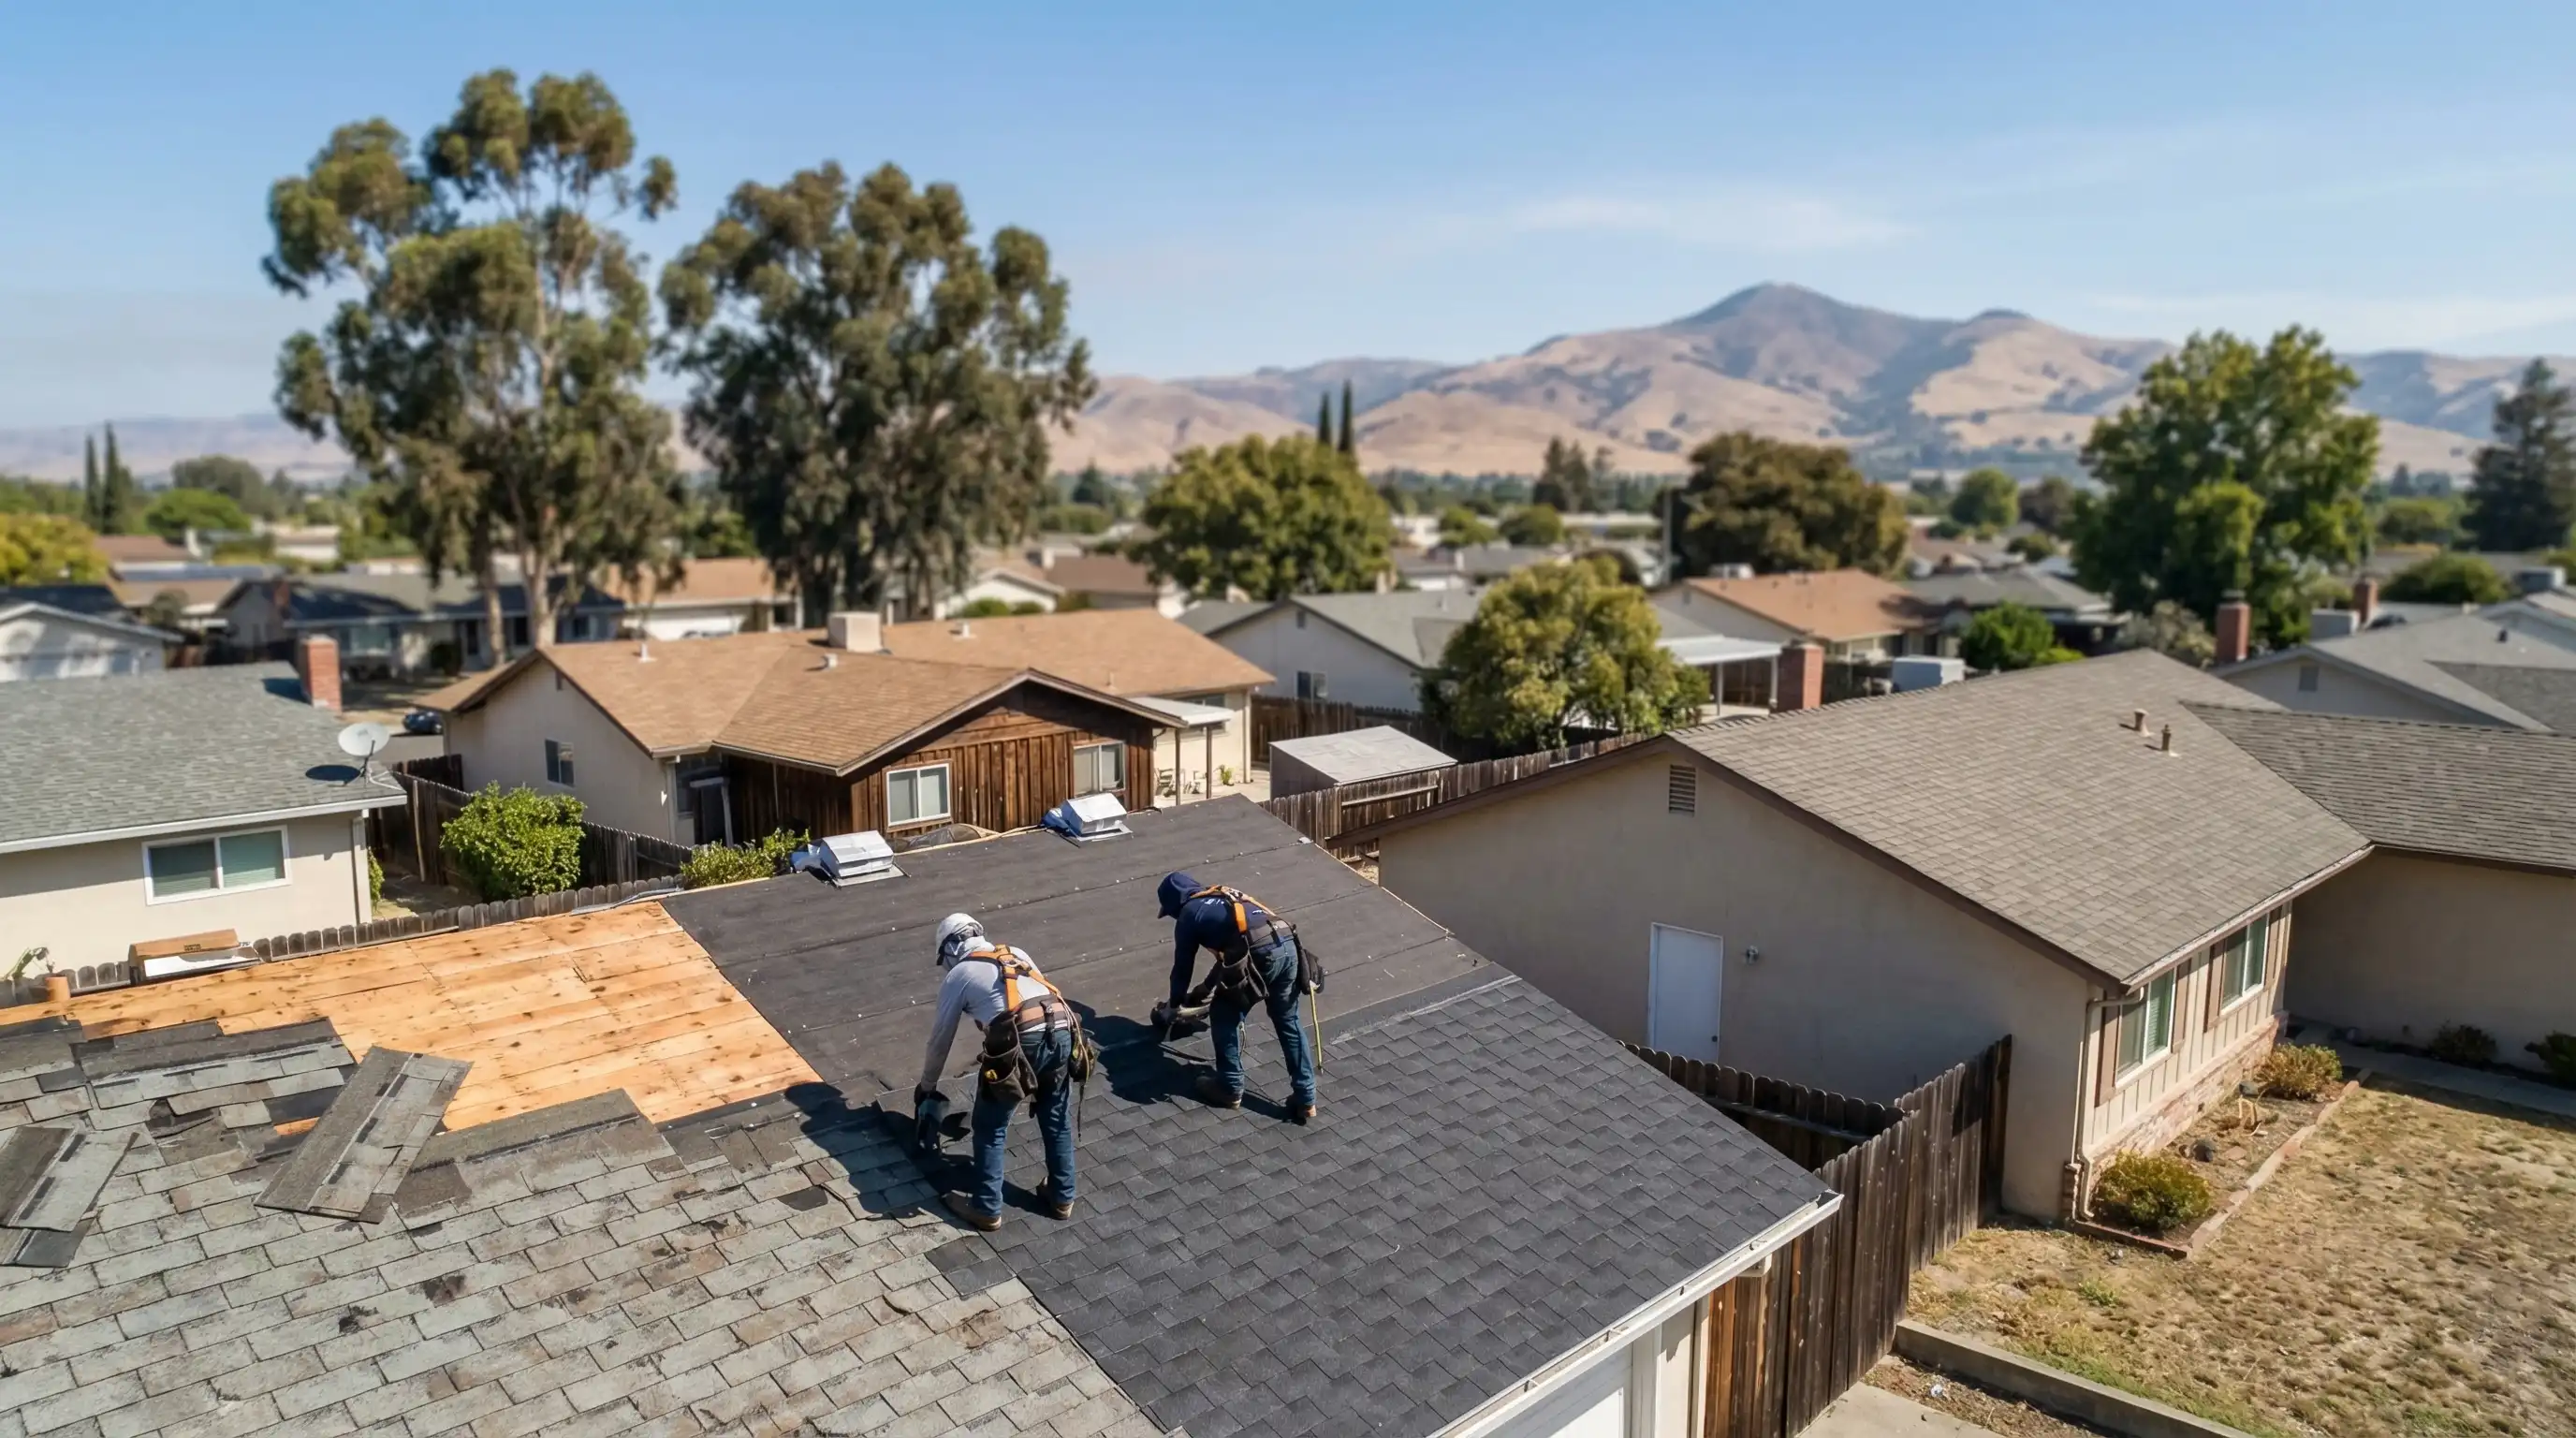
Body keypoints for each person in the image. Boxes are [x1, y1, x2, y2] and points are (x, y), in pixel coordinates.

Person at [916, 912, 1079, 1230]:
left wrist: (927, 1085)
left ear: (950, 949)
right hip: (1063, 1029)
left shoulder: (960, 973)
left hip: (1023, 1040)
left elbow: (940, 1040)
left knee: (990, 1127)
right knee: (1056, 1118)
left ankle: (987, 1208)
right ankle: (1062, 1197)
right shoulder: (1015, 953)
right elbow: (1036, 996)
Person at [1156, 872, 1317, 1123]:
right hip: (1287, 943)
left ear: (1175, 902)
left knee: (1224, 1016)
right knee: (1288, 1021)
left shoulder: (1189, 913)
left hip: (1260, 952)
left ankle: (1230, 1087)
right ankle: (1306, 1098)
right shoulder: (1222, 896)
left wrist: (1174, 1008)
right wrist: (1203, 991)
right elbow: (1230, 957)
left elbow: (1182, 968)